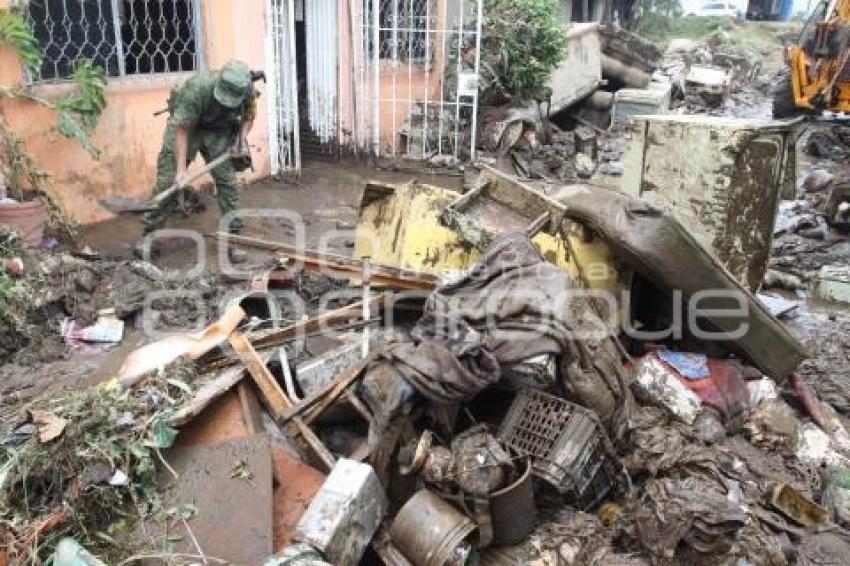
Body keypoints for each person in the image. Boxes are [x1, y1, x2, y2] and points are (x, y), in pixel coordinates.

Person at [136, 60, 256, 261]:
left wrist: (240, 140)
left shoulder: (247, 90)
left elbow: (249, 117)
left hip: (218, 131)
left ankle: (233, 239)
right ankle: (149, 236)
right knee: (168, 182)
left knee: (228, 183)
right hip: (188, 129)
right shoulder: (197, 89)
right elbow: (181, 130)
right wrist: (181, 171)